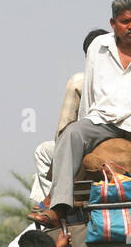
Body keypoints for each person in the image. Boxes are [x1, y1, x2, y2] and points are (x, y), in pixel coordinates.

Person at [31, 0, 131, 225]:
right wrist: (85, 129)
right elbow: (90, 94)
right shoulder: (98, 47)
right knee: (72, 132)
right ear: (113, 24)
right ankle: (59, 207)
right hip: (103, 120)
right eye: (125, 22)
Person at [30, 28, 108, 208]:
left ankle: (50, 203)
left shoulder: (80, 80)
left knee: (43, 151)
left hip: (92, 143)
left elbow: (63, 130)